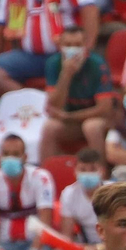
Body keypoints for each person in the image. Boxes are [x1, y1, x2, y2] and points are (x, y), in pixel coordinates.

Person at [40, 25, 114, 157]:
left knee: (91, 127)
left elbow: (104, 108)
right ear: (61, 45)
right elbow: (55, 106)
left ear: (85, 45)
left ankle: (100, 171)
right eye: (68, 44)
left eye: (77, 45)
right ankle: (48, 172)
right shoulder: (53, 63)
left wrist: (69, 116)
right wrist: (65, 76)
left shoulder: (97, 64)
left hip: (96, 118)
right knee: (49, 128)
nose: (73, 49)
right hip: (70, 121)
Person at [52, 148, 107, 250]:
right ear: (75, 171)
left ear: (101, 171)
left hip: (110, 246)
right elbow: (66, 235)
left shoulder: (113, 192)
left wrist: (97, 249)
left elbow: (122, 234)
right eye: (83, 169)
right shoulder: (69, 193)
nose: (88, 174)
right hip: (83, 247)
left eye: (93, 169)